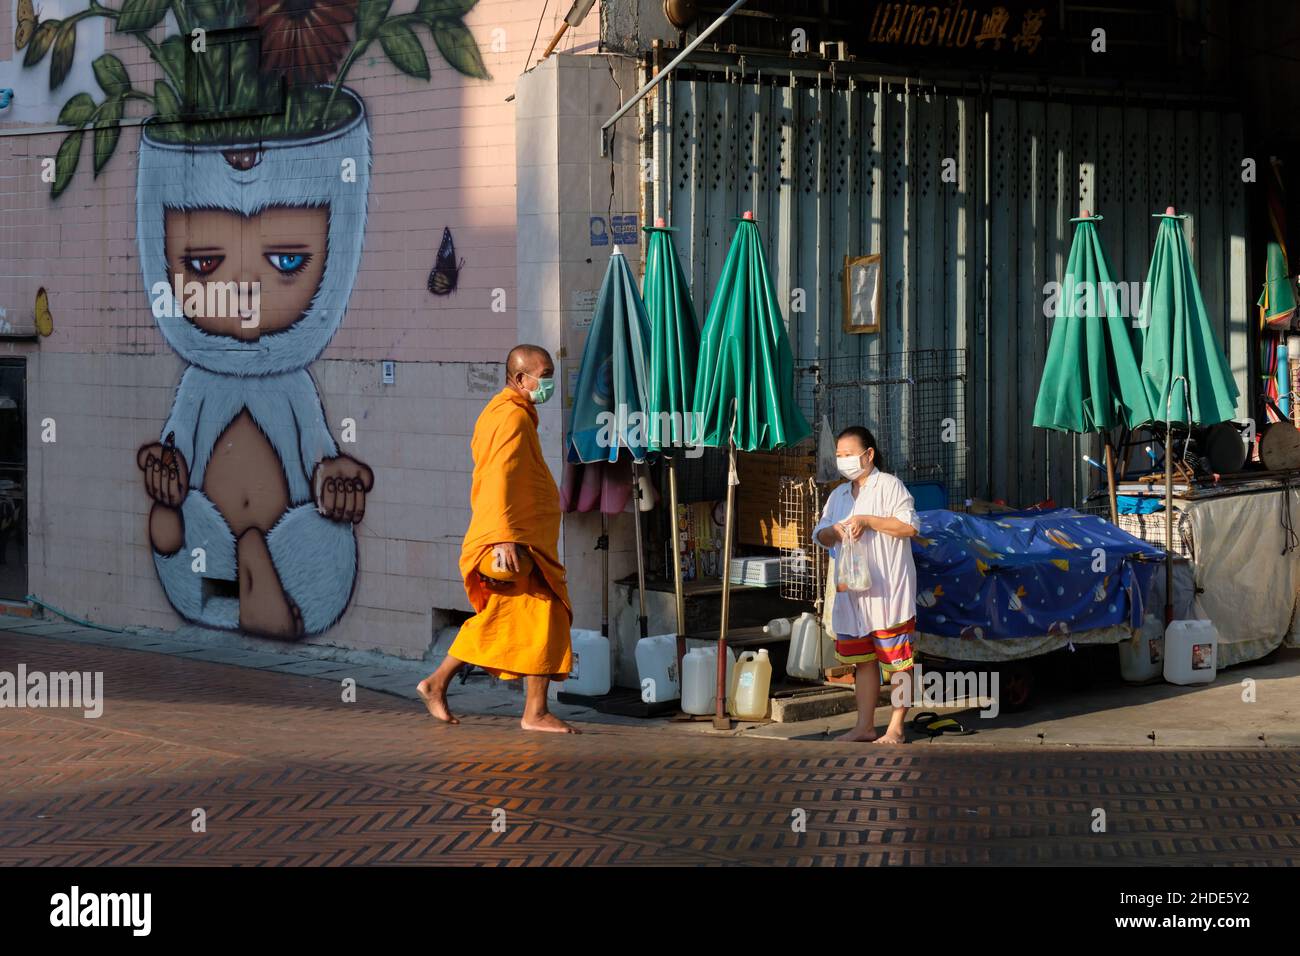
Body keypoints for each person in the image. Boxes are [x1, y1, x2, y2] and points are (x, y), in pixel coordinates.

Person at [416, 344, 579, 734]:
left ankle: (439, 683)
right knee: (542, 614)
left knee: (510, 619)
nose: (549, 383)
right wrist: (503, 538)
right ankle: (533, 712)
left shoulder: (515, 413)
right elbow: (496, 480)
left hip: (528, 541)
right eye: (544, 375)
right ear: (521, 379)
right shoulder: (510, 418)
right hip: (513, 542)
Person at [812, 426, 919, 743]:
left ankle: (896, 726)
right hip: (854, 592)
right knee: (863, 661)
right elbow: (819, 535)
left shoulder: (889, 486)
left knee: (898, 661)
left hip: (889, 591)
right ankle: (865, 726)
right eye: (840, 456)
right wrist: (836, 530)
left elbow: (909, 527)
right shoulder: (838, 495)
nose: (843, 461)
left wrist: (868, 521)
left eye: (849, 454)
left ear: (869, 454)